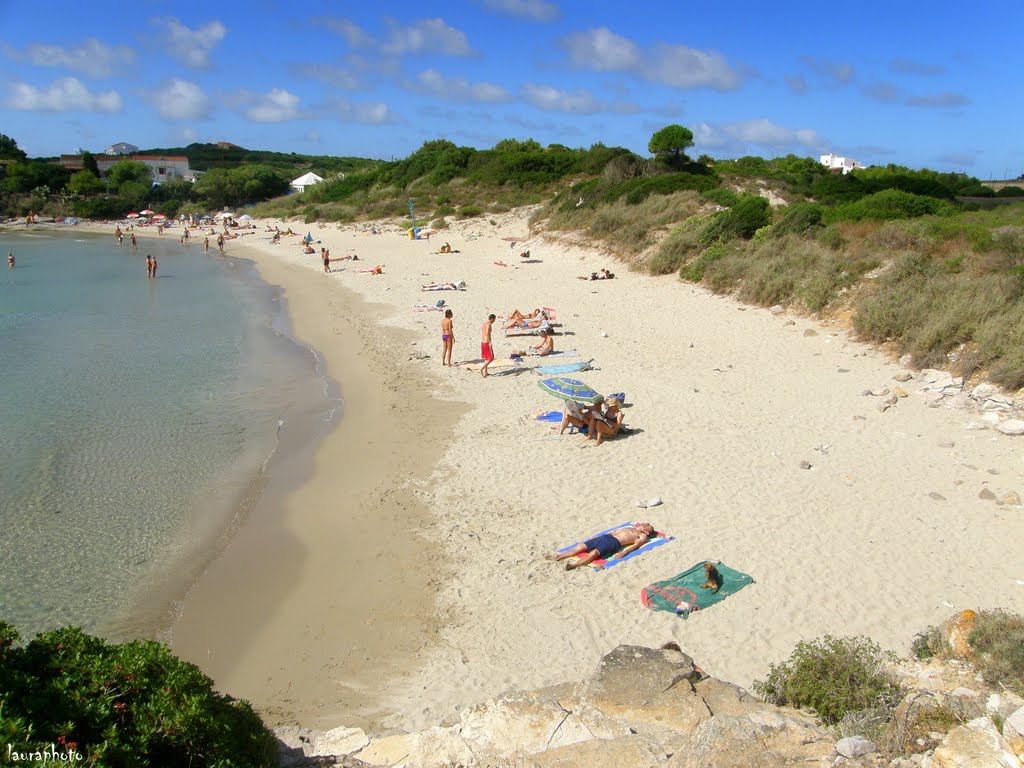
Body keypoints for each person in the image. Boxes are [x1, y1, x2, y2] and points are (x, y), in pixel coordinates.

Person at [546, 522, 656, 571]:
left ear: (647, 532)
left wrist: (624, 552)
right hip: (605, 537)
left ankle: (574, 565)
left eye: (648, 525)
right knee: (580, 546)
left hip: (613, 542)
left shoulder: (642, 536)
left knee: (594, 553)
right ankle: (558, 556)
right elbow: (614, 531)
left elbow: (635, 546)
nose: (645, 523)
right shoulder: (631, 527)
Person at [480, 314, 496, 378]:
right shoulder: (488, 324)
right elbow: (487, 333)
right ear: (492, 319)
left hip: (483, 342)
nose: (494, 321)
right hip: (487, 342)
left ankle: (485, 372)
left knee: (486, 357)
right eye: (494, 319)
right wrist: (489, 342)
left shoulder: (484, 324)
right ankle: (481, 369)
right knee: (491, 358)